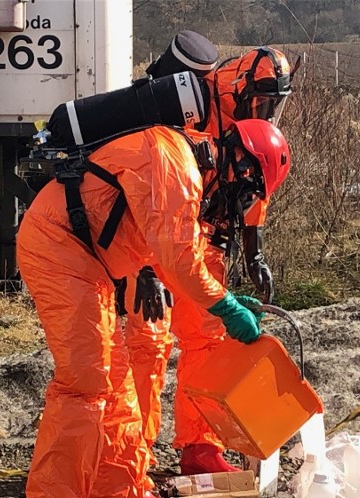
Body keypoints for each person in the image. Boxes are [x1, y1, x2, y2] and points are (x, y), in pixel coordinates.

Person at [17, 119, 291, 498]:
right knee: (85, 383)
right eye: (249, 191)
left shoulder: (185, 164)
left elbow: (172, 250)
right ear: (241, 166)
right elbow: (179, 259)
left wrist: (224, 296)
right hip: (59, 249)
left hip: (88, 262)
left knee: (118, 381)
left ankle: (120, 494)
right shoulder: (176, 165)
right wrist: (224, 304)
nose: (240, 202)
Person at [124, 43, 294, 475]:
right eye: (261, 101)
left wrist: (254, 251)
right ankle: (130, 457)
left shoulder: (250, 124)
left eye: (273, 103)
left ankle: (200, 447)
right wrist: (142, 266)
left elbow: (251, 187)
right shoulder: (190, 104)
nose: (266, 111)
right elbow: (143, 186)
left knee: (206, 342)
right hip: (159, 234)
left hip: (206, 239)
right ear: (240, 86)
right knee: (149, 345)